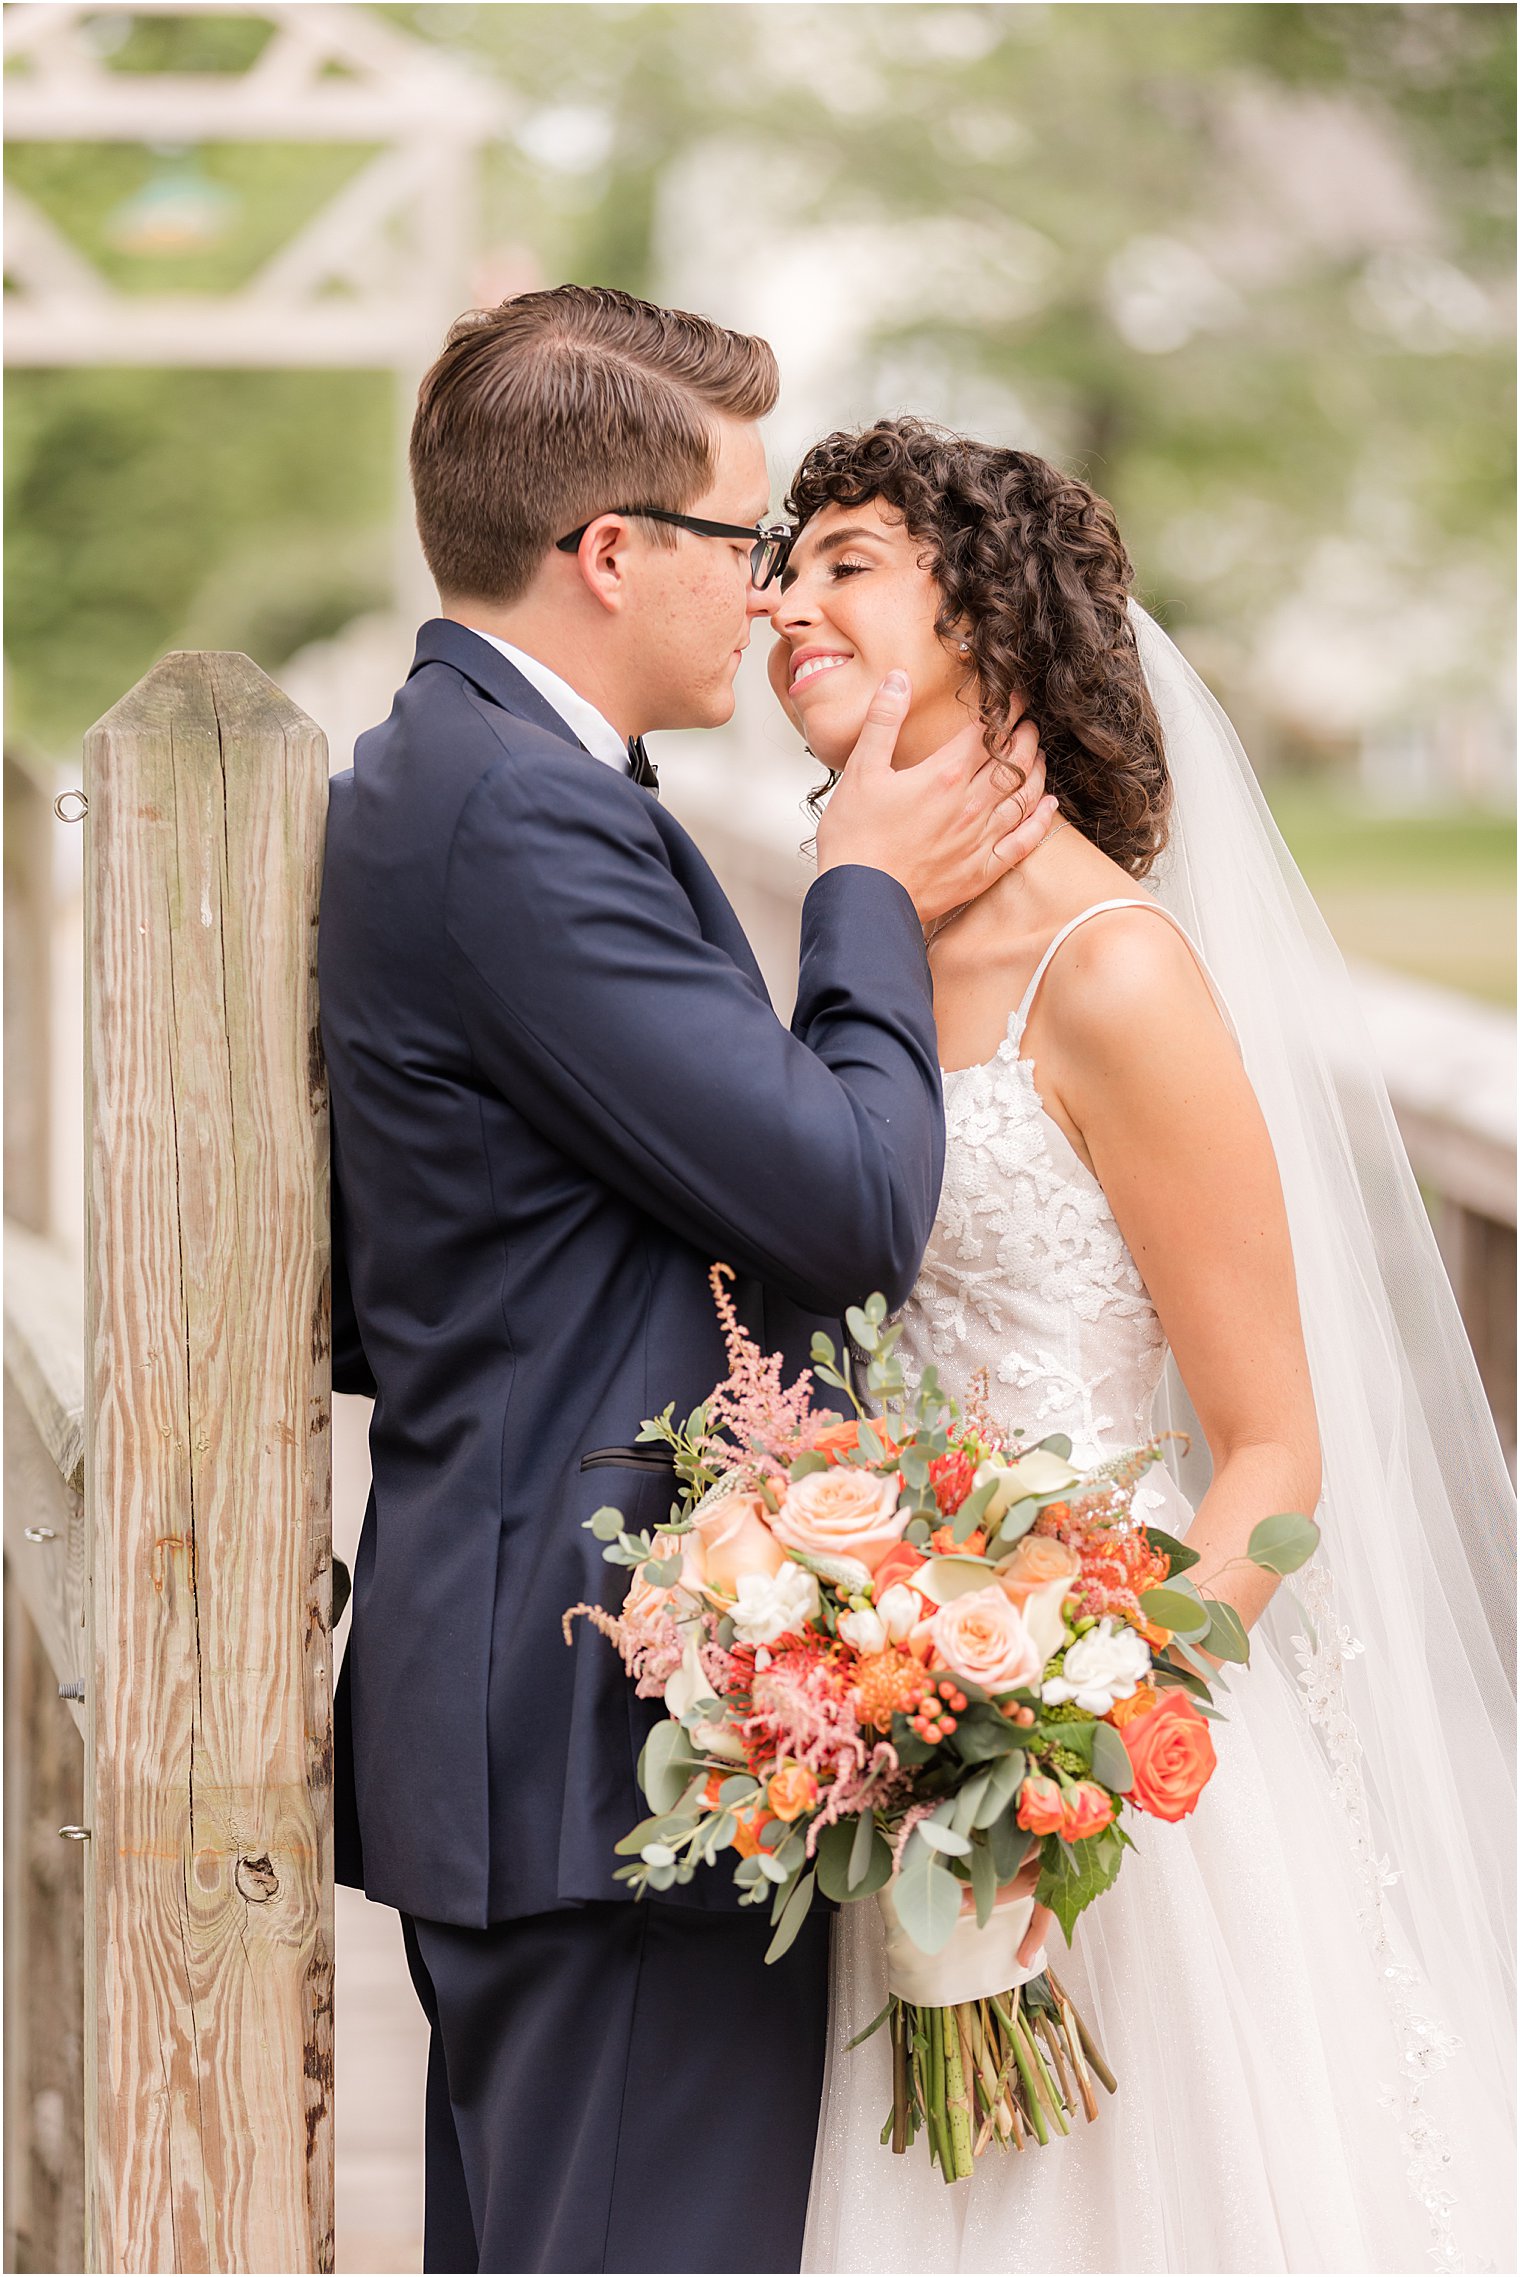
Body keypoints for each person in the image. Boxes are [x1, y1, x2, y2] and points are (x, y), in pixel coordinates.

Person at [317, 295, 1059, 2275]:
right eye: (741, 544)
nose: (759, 599)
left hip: (546, 1717)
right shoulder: (517, 814)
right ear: (612, 551)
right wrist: (865, 895)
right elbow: (841, 1203)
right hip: (595, 1735)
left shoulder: (478, 772)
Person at [768, 420, 1516, 2274]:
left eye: (845, 558)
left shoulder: (1112, 969)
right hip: (881, 1733)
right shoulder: (842, 933)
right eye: (784, 560)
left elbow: (1273, 1455)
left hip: (1100, 1762)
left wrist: (1066, 1738)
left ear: (991, 623)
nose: (787, 597)